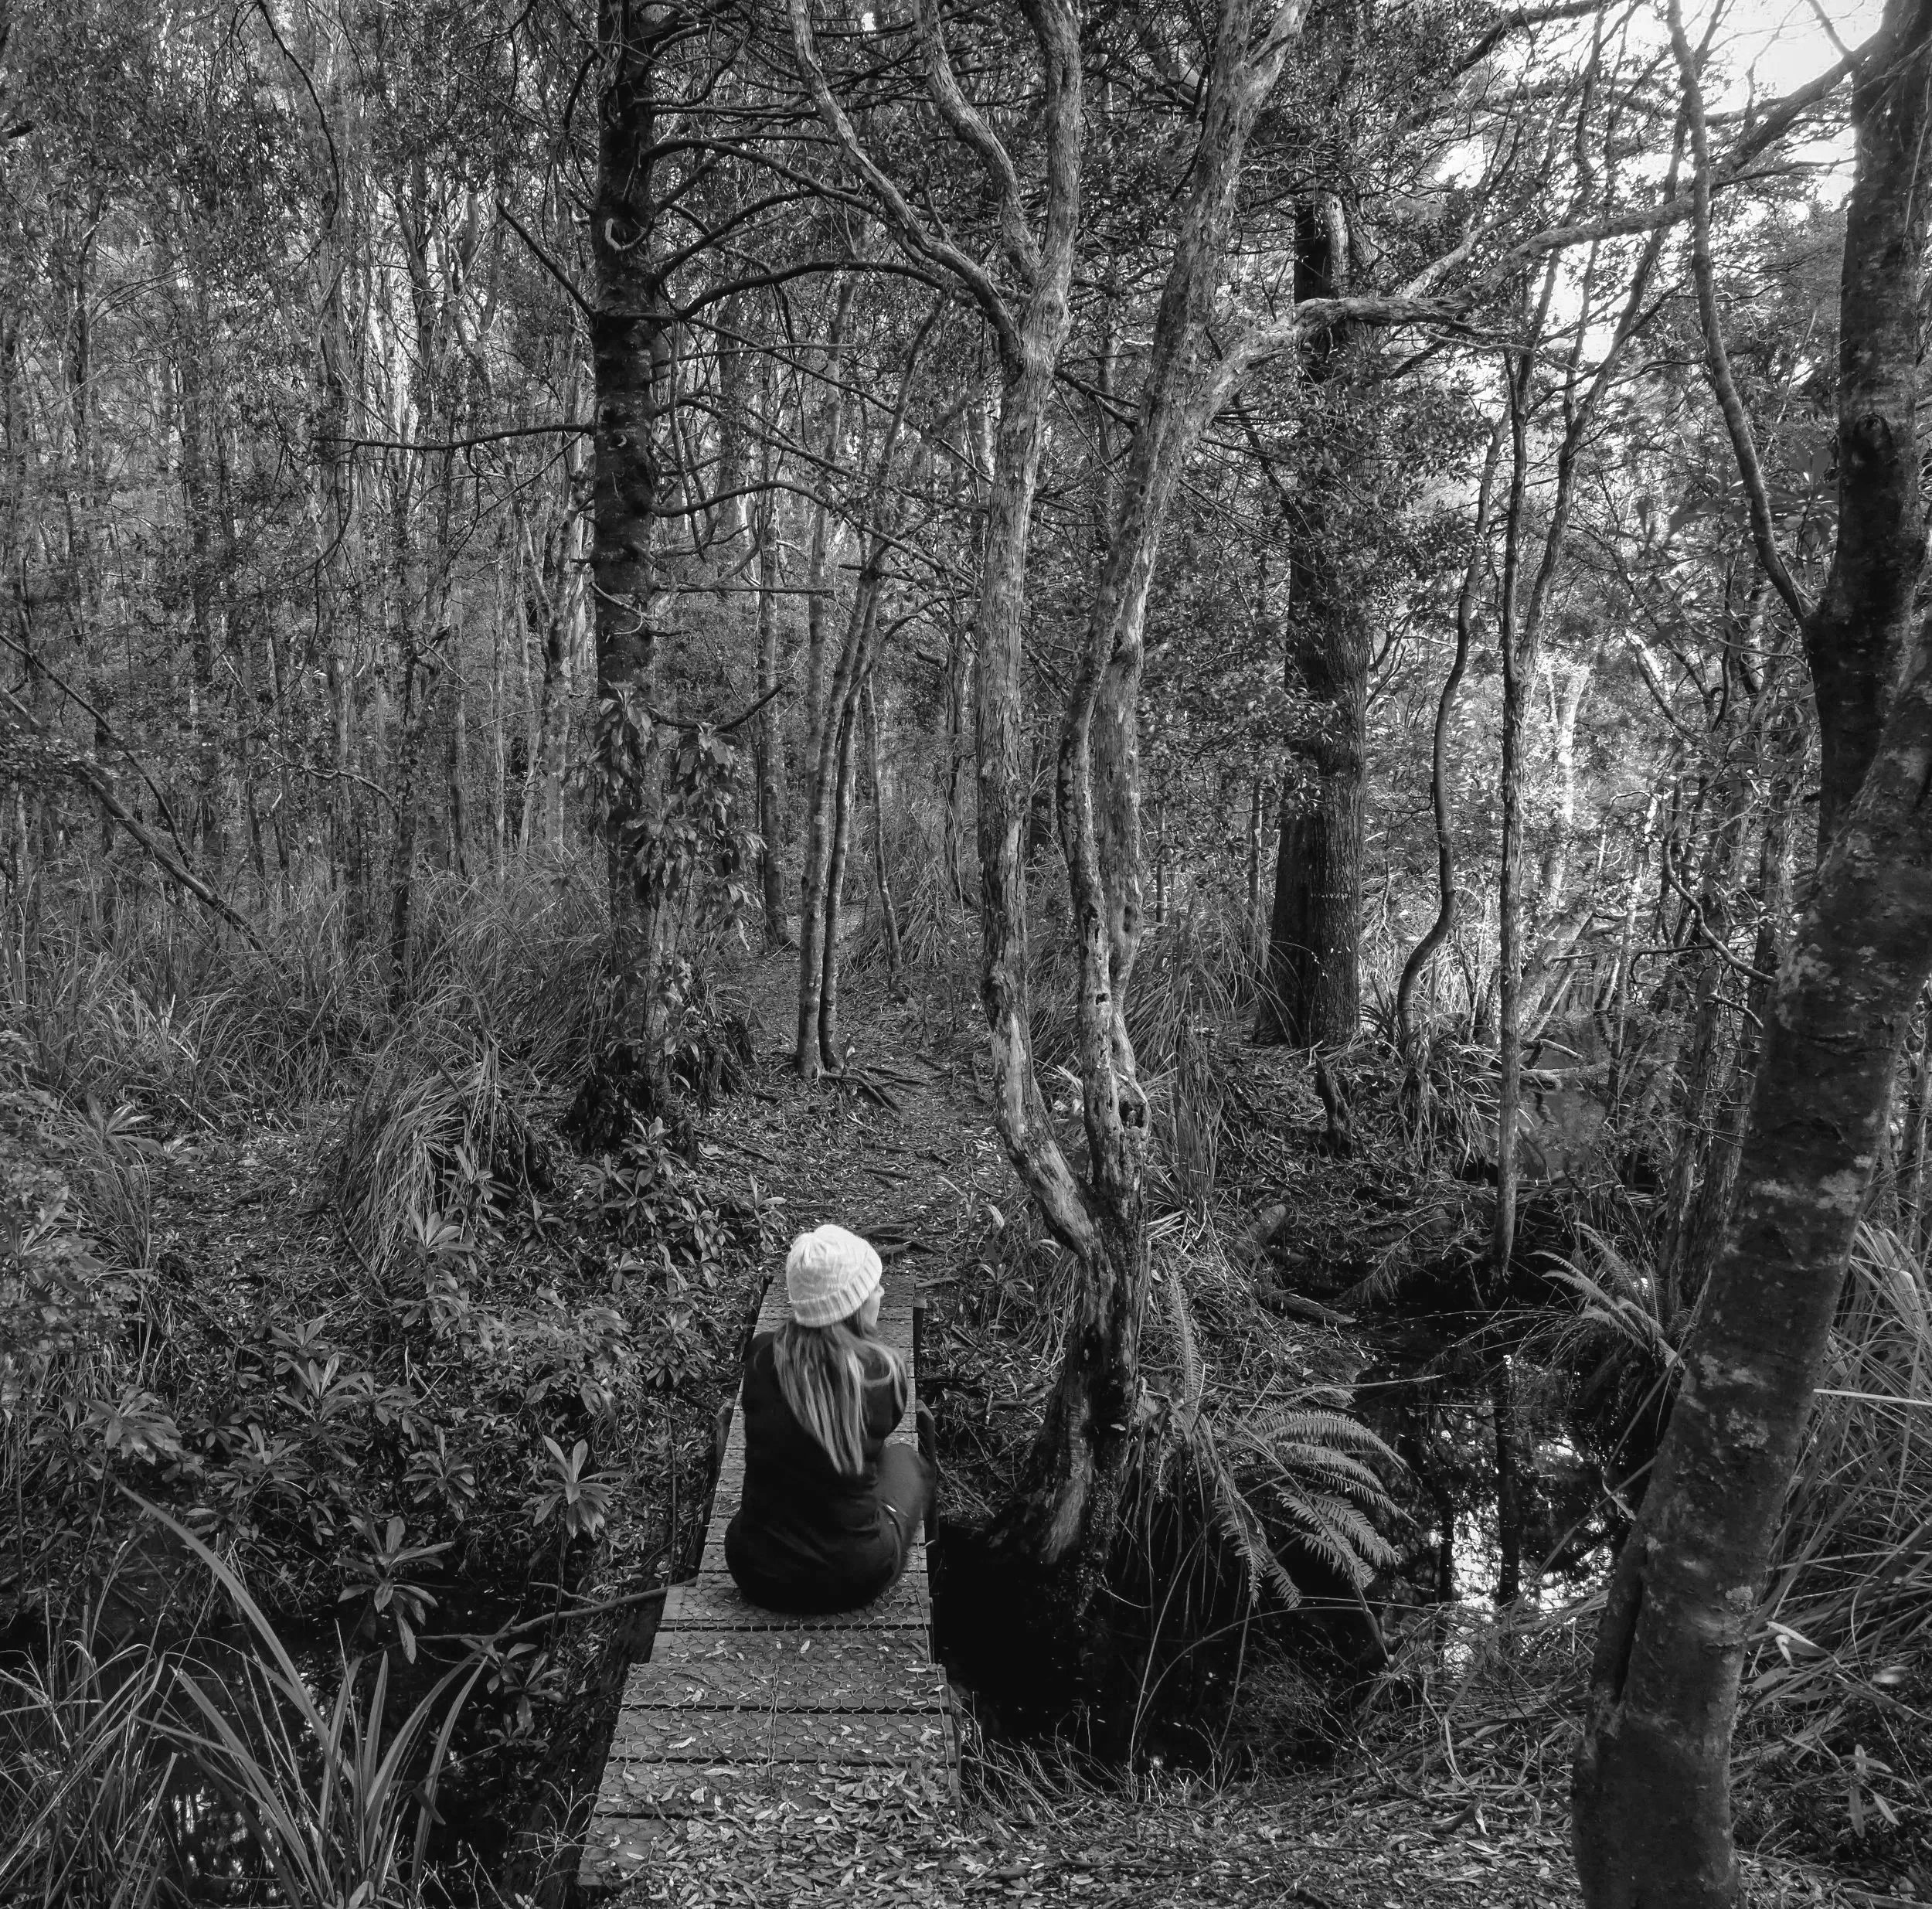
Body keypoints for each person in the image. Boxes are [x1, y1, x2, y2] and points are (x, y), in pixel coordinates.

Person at [724, 1224, 934, 1614]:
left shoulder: (760, 1355)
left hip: (757, 1573)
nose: (882, 1293)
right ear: (851, 1304)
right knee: (903, 1458)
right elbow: (881, 1434)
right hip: (855, 1577)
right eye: (873, 1286)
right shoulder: (882, 1372)